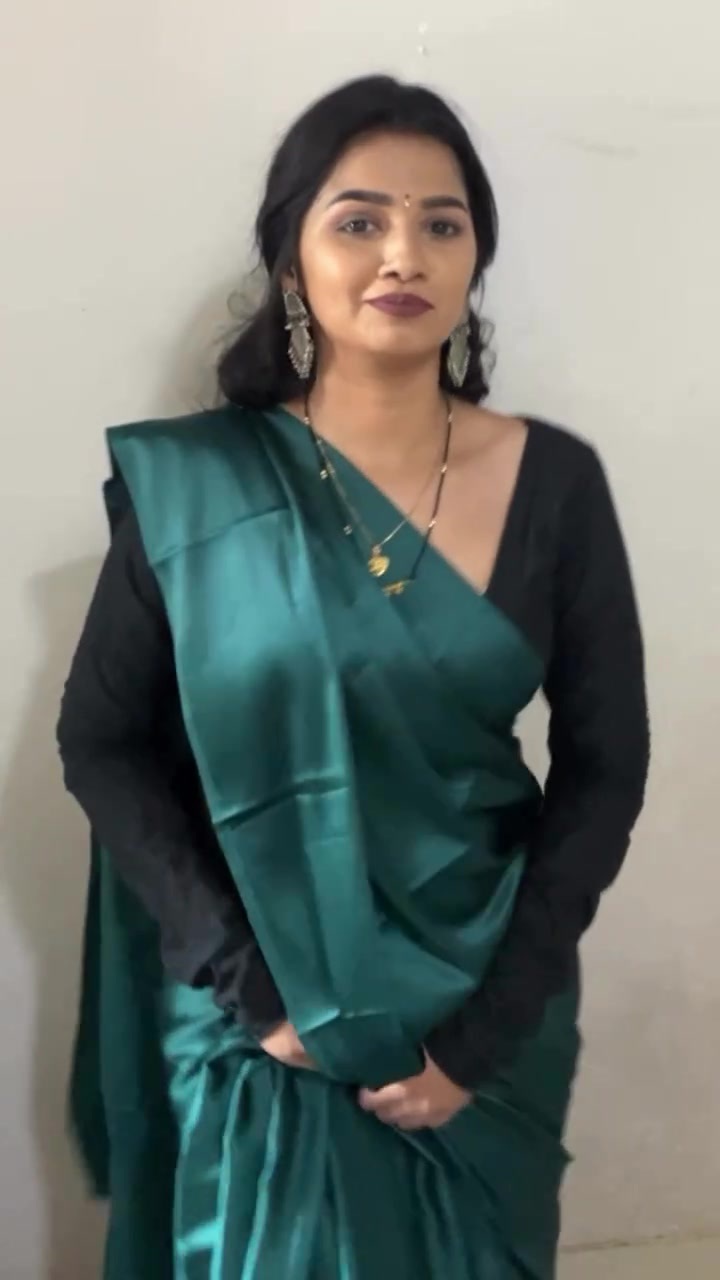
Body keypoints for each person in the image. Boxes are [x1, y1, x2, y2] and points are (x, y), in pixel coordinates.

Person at [57, 74, 650, 1280]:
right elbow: (102, 740)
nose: (403, 253)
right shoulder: (204, 490)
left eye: (442, 222)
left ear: (475, 258)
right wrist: (253, 988)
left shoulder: (554, 484)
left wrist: (482, 1034)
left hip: (479, 1000)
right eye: (360, 219)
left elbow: (607, 764)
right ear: (293, 259)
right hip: (258, 1015)